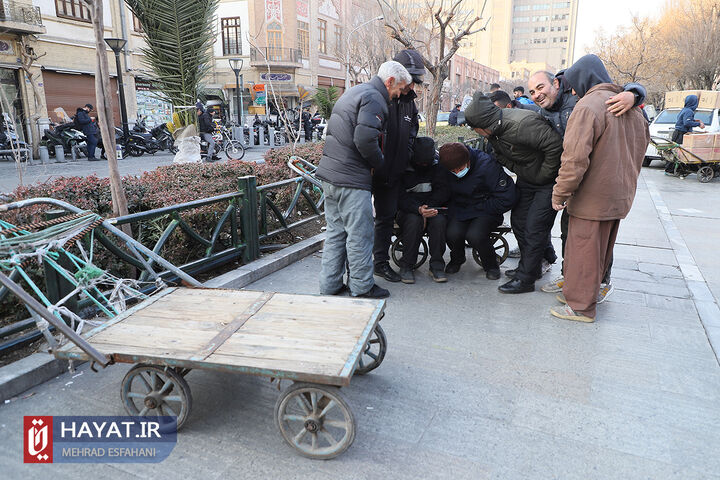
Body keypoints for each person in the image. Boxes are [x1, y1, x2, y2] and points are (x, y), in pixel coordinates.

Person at [528, 69, 646, 297]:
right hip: (575, 183)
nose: (536, 95)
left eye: (540, 88)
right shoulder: (544, 113)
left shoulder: (583, 100)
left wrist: (634, 94)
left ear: (556, 83)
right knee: (572, 234)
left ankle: (598, 284)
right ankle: (571, 278)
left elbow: (620, 88)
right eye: (532, 92)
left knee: (595, 238)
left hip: (593, 183)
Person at [550, 54, 650, 323]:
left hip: (592, 198)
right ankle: (587, 295)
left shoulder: (588, 106)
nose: (571, 90)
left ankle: (581, 307)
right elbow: (641, 150)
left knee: (583, 253)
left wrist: (560, 192)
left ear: (583, 79)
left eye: (572, 84)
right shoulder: (632, 108)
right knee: (600, 252)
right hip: (619, 195)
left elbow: (574, 160)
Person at [316, 60, 412, 299]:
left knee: (336, 232)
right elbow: (365, 139)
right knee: (360, 234)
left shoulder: (356, 91)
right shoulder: (375, 98)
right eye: (399, 89)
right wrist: (379, 166)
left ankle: (330, 285)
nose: (398, 95)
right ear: (390, 81)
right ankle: (361, 287)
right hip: (351, 178)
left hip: (332, 176)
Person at [464, 92, 563, 294]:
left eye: (475, 129)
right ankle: (530, 268)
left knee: (535, 227)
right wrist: (523, 171)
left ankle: (526, 279)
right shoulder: (495, 132)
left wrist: (543, 174)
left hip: (547, 182)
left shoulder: (522, 124)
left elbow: (556, 147)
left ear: (482, 125)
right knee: (519, 222)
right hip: (528, 179)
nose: (476, 132)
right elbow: (500, 156)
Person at [371, 49, 423, 284]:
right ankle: (355, 268)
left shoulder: (410, 104)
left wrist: (407, 153)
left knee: (385, 218)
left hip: (394, 174)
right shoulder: (379, 97)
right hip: (370, 171)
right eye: (409, 81)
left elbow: (412, 133)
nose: (412, 86)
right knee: (360, 222)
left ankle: (380, 263)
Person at [439, 142, 517, 279]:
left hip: (486, 209)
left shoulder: (486, 165)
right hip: (461, 208)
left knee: (475, 235)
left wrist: (482, 207)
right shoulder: (445, 167)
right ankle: (457, 258)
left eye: (460, 168)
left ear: (468, 160)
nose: (457, 173)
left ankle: (491, 265)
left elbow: (507, 197)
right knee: (452, 233)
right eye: (453, 171)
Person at [396, 136, 449, 284]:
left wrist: (428, 208)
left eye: (427, 163)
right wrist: (417, 209)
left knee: (439, 221)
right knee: (414, 221)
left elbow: (443, 191)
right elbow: (399, 196)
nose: (423, 165)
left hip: (432, 207)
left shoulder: (439, 166)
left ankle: (437, 265)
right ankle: (407, 265)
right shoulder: (403, 166)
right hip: (408, 210)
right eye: (420, 163)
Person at [667, 94, 705, 173]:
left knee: (676, 153)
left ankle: (671, 169)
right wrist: (699, 124)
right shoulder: (689, 111)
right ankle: (671, 169)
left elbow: (683, 120)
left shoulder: (685, 109)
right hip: (681, 134)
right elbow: (686, 123)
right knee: (680, 153)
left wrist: (694, 121)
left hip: (678, 133)